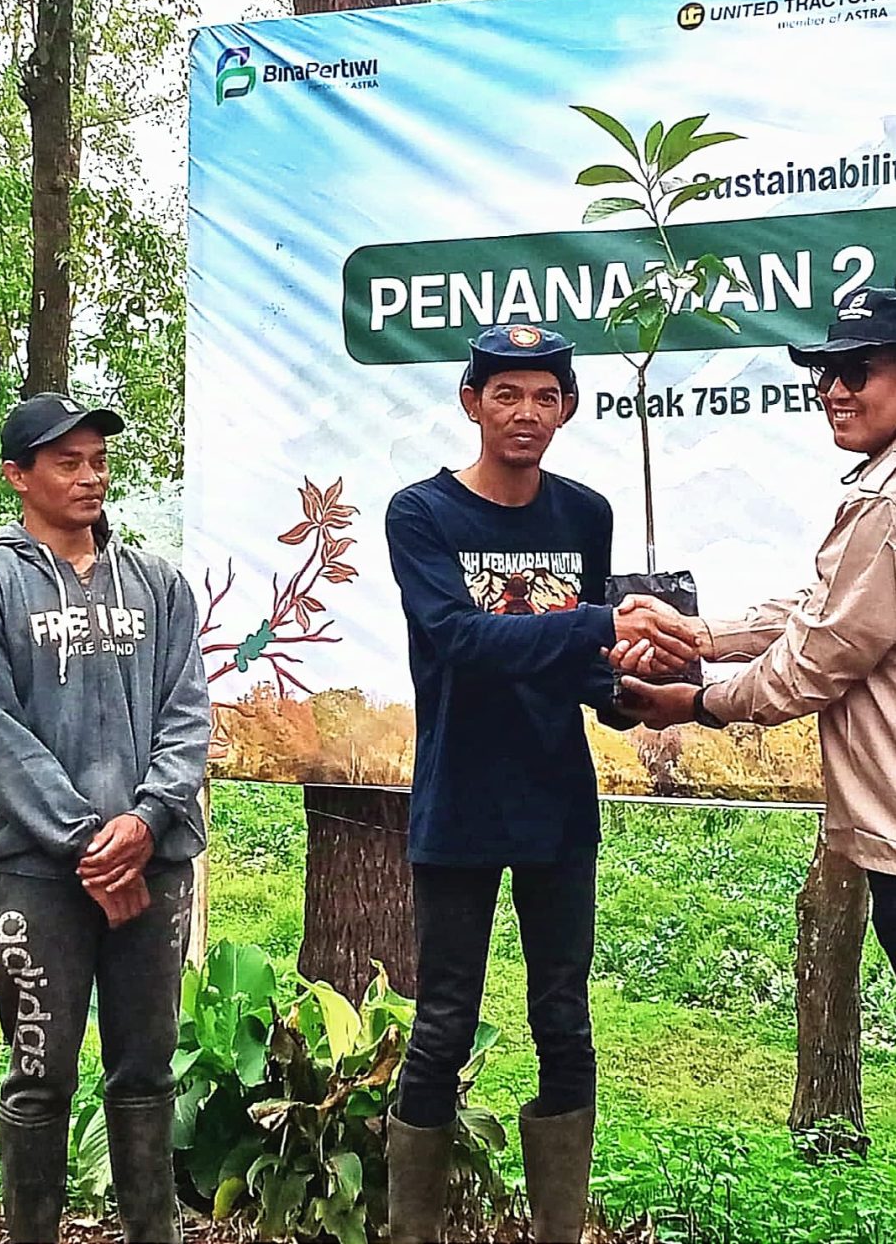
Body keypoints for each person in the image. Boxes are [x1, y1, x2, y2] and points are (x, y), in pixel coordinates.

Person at [616, 289, 896, 1244]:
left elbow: (817, 660)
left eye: (856, 369)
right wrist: (701, 632)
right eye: (826, 370)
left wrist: (691, 699)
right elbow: (829, 607)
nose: (831, 388)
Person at [381, 323, 693, 1244]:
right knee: (444, 1023)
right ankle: (414, 1232)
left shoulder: (583, 515)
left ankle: (558, 1226)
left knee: (565, 1019)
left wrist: (637, 691)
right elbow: (464, 645)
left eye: (545, 396)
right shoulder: (422, 515)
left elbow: (587, 672)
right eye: (505, 394)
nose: (525, 413)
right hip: (459, 802)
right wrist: (599, 623)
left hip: (558, 806)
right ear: (471, 403)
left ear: (567, 409)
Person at [0, 392, 211, 1244]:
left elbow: (188, 712)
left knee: (145, 1074)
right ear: (17, 476)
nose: (91, 476)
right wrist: (90, 843)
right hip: (37, 879)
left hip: (153, 865)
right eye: (68, 462)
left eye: (98, 459)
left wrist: (145, 825)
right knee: (38, 1079)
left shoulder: (159, 585)